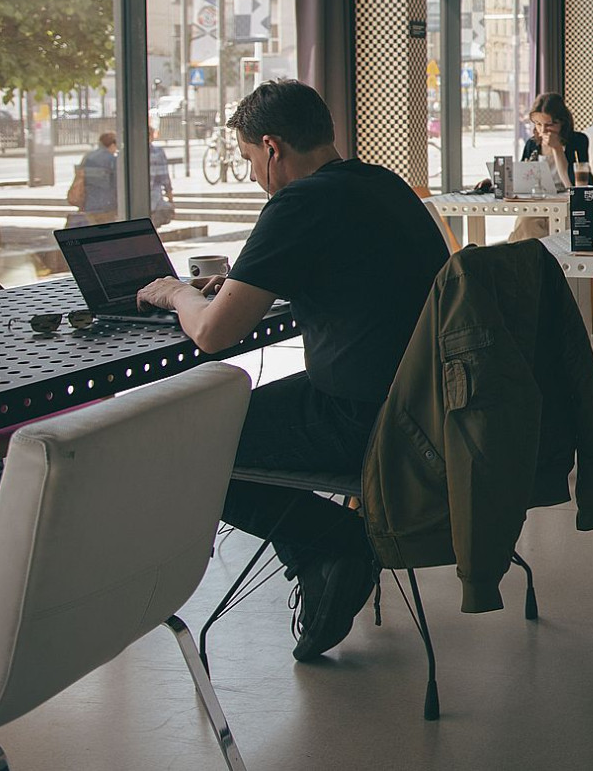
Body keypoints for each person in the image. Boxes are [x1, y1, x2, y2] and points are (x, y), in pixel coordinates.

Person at [135, 80, 450, 661]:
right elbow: (353, 279)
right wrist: (240, 286)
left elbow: (212, 334)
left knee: (192, 445)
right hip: (424, 403)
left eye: (251, 159)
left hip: (362, 417)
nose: (255, 175)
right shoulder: (384, 186)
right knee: (227, 423)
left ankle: (331, 546)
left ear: (273, 147)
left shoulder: (298, 203)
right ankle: (329, 547)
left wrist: (178, 294)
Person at [521, 92, 593, 186]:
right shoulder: (532, 144)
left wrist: (557, 148)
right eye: (538, 124)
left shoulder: (578, 141)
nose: (543, 130)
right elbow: (523, 181)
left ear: (562, 122)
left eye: (549, 125)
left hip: (568, 198)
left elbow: (574, 186)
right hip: (538, 198)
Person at [66, 130, 118, 226]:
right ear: (113, 144)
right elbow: (117, 184)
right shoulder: (113, 160)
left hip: (89, 204)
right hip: (107, 205)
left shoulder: (88, 157)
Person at [148, 120, 175, 228]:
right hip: (154, 202)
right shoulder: (157, 153)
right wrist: (171, 201)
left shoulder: (125, 153)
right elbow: (165, 180)